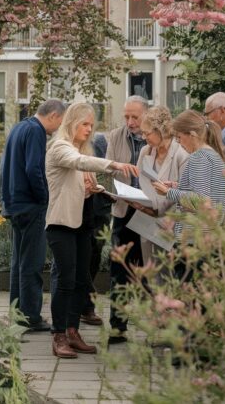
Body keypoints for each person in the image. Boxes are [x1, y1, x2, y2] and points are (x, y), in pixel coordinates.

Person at [45, 103, 138, 358]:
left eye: (91, 125)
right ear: (72, 122)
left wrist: (95, 190)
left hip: (83, 224)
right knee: (65, 281)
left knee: (80, 281)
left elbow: (79, 181)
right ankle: (59, 335)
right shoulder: (60, 147)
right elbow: (78, 162)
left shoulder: (79, 148)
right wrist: (114, 165)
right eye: (84, 124)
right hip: (61, 225)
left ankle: (73, 331)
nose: (89, 130)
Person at [0, 99, 66, 331]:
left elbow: (4, 167)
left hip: (13, 204)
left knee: (19, 262)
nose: (57, 129)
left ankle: (17, 314)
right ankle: (31, 317)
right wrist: (44, 198)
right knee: (32, 264)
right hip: (30, 206)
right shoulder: (36, 131)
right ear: (54, 116)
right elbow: (33, 169)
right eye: (59, 123)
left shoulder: (19, 127)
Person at [152, 110, 225, 254]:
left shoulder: (198, 157)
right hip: (211, 236)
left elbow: (201, 201)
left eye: (179, 137)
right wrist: (178, 186)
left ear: (192, 135)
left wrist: (168, 192)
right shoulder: (215, 156)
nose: (179, 143)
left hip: (194, 239)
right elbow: (213, 193)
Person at [106, 95, 148, 343]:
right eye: (127, 116)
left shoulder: (156, 137)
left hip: (149, 211)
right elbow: (109, 170)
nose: (130, 122)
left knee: (151, 269)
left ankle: (159, 326)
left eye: (135, 117)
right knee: (118, 269)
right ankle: (117, 326)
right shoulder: (115, 136)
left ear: (145, 115)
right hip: (124, 209)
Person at [134, 106, 189, 263]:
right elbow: (141, 182)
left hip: (170, 222)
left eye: (147, 133)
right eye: (142, 132)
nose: (144, 137)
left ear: (161, 130)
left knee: (167, 273)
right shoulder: (146, 151)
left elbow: (186, 192)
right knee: (150, 270)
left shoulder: (181, 154)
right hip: (146, 219)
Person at [80, 133, 112, 326]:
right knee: (84, 257)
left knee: (95, 255)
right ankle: (85, 306)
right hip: (83, 207)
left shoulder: (101, 141)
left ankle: (86, 305)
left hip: (100, 207)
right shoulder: (67, 147)